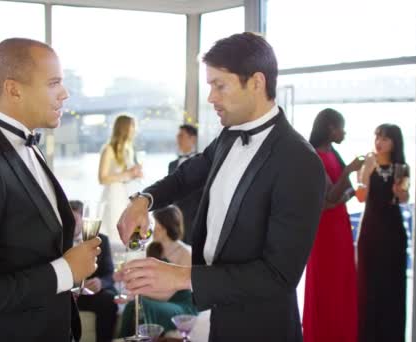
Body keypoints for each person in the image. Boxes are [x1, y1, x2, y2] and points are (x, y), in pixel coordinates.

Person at [117, 32, 326, 341]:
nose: (211, 98)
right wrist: (143, 200)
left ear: (256, 82)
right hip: (216, 315)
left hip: (262, 327)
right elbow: (185, 177)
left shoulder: (299, 161)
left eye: (219, 85)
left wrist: (181, 276)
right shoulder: (228, 136)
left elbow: (279, 276)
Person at [0, 38, 101, 342]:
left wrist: (72, 270)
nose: (65, 93)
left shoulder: (29, 147)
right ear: (13, 89)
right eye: (54, 83)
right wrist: (64, 271)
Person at [303, 108, 363, 342]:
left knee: (342, 284)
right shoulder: (315, 156)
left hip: (340, 226)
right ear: (330, 128)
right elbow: (329, 199)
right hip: (325, 231)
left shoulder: (334, 153)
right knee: (326, 285)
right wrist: (348, 172)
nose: (344, 133)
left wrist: (343, 192)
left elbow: (344, 193)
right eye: (341, 127)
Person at [356, 123, 409, 342]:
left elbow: (403, 199)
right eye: (377, 137)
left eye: (385, 138)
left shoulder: (402, 166)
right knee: (369, 286)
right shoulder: (368, 163)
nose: (379, 142)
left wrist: (400, 192)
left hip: (393, 230)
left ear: (394, 142)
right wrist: (367, 170)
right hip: (370, 229)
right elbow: (360, 196)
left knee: (392, 285)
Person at [118, 206, 197, 337]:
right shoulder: (152, 249)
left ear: (164, 228)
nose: (151, 229)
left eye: (154, 225)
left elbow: (175, 290)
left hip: (182, 304)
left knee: (139, 304)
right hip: (160, 299)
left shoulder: (186, 252)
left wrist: (138, 295)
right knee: (134, 304)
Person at [69, 200, 118, 342]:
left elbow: (110, 273)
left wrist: (101, 282)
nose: (71, 224)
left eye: (75, 219)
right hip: (68, 294)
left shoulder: (102, 240)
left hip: (91, 294)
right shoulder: (59, 240)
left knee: (109, 300)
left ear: (83, 220)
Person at [99, 115, 143, 244]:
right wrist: (128, 174)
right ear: (124, 128)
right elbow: (102, 178)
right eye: (132, 126)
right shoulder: (108, 149)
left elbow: (127, 175)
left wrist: (135, 174)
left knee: (128, 230)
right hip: (114, 195)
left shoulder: (129, 149)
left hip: (126, 195)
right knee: (113, 229)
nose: (135, 129)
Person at [168, 124, 201, 243]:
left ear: (193, 139)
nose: (178, 139)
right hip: (175, 218)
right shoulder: (172, 164)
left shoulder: (202, 161)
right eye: (177, 136)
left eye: (181, 136)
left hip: (194, 216)